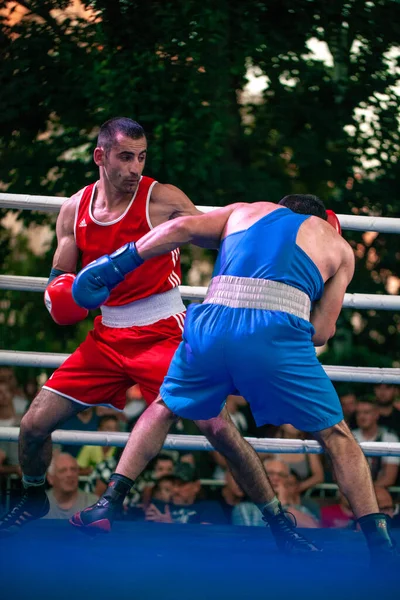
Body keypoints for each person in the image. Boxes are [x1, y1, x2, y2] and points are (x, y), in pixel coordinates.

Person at [69, 194, 398, 563]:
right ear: (324, 220)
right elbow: (321, 333)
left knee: (163, 406)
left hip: (212, 323)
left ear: (281, 207)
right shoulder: (337, 245)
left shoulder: (246, 210)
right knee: (337, 437)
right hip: (276, 334)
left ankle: (106, 504)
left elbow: (179, 228)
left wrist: (115, 265)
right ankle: (378, 543)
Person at [0, 116, 201, 536]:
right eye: (125, 157)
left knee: (212, 421)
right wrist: (63, 292)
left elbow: (215, 232)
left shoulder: (162, 199)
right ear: (101, 156)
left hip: (163, 326)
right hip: (107, 335)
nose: (135, 168)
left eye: (141, 157)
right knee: (33, 426)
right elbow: (58, 278)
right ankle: (34, 494)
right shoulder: (75, 210)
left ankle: (273, 517)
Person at [44, 453, 99, 520]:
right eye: (63, 470)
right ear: (50, 478)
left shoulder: (94, 505)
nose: (69, 474)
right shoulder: (38, 506)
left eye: (73, 469)